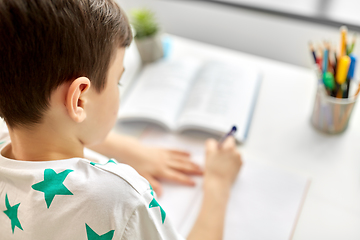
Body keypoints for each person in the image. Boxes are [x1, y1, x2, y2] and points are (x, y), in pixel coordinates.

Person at [0, 0, 242, 239]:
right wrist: (218, 183)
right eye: (118, 81)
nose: (118, 88)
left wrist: (125, 147)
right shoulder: (121, 197)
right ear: (80, 100)